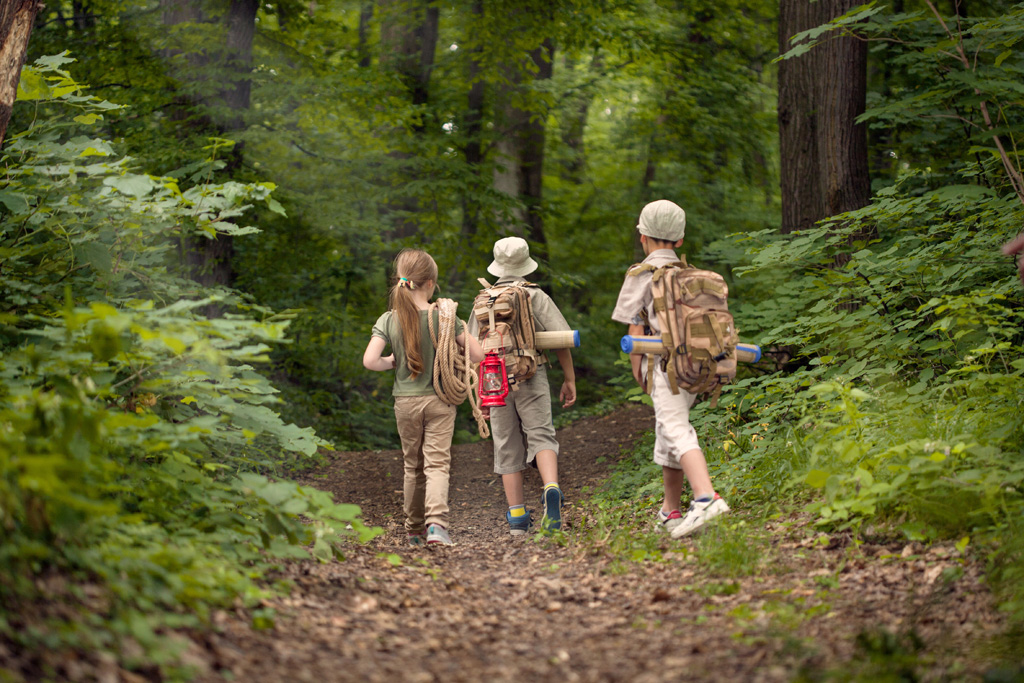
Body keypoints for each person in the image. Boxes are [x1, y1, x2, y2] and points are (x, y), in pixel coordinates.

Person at [611, 199, 730, 538]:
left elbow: (635, 327)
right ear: (680, 240)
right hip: (700, 365)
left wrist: (639, 370)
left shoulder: (642, 274)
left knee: (675, 428)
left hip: (665, 366)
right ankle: (670, 511)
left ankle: (706, 498)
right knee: (668, 435)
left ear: (643, 237)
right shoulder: (691, 276)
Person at [363, 249, 484, 547]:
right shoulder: (444, 317)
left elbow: (370, 361)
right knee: (437, 464)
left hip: (405, 402)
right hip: (440, 400)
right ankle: (437, 526)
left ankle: (413, 530)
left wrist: (393, 362)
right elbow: (478, 354)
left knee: (411, 466)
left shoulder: (389, 319)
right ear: (430, 283)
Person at [469, 237, 577, 536]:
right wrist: (569, 378)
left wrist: (481, 393)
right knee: (541, 435)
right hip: (532, 372)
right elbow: (562, 339)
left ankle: (517, 518)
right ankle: (551, 487)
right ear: (526, 263)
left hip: (494, 380)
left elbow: (472, 350)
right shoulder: (534, 295)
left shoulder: (483, 300)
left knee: (505, 444)